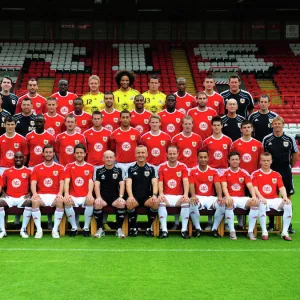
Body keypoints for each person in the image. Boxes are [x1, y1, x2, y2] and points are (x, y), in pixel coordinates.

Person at [262, 116, 298, 233]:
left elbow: (295, 154)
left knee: (287, 197)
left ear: (283, 124)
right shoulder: (267, 139)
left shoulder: (290, 138)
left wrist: (290, 166)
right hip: (271, 172)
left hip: (285, 171)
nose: (277, 126)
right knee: (271, 196)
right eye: (275, 124)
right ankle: (271, 223)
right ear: (272, 125)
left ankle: (288, 225)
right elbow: (264, 155)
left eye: (279, 124)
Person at [252, 152, 293, 241]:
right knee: (262, 204)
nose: (266, 162)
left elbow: (281, 187)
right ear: (260, 162)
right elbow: (254, 188)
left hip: (275, 199)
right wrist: (261, 197)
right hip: (262, 199)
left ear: (271, 161)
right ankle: (264, 232)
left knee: (288, 204)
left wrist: (285, 197)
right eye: (264, 160)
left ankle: (285, 232)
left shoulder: (276, 174)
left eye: (268, 160)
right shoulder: (255, 174)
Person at [202, 116, 232, 230]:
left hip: (224, 170)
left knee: (223, 196)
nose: (216, 127)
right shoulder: (207, 141)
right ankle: (210, 222)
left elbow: (231, 156)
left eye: (218, 125)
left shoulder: (228, 140)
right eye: (214, 125)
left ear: (222, 126)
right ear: (211, 126)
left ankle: (224, 222)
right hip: (211, 170)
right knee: (211, 196)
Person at [221, 152, 259, 240]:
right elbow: (224, 186)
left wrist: (253, 196)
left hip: (242, 198)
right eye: (233, 159)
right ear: (229, 161)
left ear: (240, 160)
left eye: (236, 159)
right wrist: (228, 196)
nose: (235, 161)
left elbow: (250, 185)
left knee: (254, 203)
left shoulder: (244, 172)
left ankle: (250, 232)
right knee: (229, 203)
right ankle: (232, 231)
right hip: (230, 197)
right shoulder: (225, 172)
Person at [30, 144, 65, 238]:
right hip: (42, 195)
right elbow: (33, 183)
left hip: (54, 195)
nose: (48, 154)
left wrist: (60, 193)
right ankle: (39, 230)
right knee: (34, 201)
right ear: (43, 154)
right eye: (46, 152)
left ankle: (55, 230)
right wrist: (34, 194)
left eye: (50, 152)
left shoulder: (60, 167)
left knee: (60, 201)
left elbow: (62, 182)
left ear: (54, 153)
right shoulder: (37, 168)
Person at [189, 149, 225, 238]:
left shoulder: (213, 171)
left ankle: (214, 229)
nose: (203, 159)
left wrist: (220, 197)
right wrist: (193, 196)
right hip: (198, 197)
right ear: (197, 158)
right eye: (201, 157)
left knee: (221, 204)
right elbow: (191, 184)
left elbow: (217, 185)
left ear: (208, 158)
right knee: (192, 203)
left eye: (205, 157)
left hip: (210, 198)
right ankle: (198, 228)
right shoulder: (192, 171)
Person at [126, 145, 159, 237]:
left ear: (147, 154)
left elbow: (155, 183)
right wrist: (131, 196)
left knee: (155, 203)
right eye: (138, 153)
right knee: (129, 203)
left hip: (146, 197)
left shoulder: (151, 168)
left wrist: (154, 195)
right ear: (135, 155)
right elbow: (128, 184)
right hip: (135, 197)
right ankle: (133, 227)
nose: (141, 155)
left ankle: (148, 227)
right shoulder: (131, 168)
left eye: (143, 152)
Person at [157, 145, 190, 239]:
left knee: (186, 201)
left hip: (178, 196)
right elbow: (160, 182)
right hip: (166, 196)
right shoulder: (162, 166)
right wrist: (161, 194)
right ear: (166, 154)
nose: (172, 156)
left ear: (177, 154)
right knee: (161, 201)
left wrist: (186, 194)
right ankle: (164, 230)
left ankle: (184, 230)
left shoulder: (183, 166)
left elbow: (185, 181)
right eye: (170, 154)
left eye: (174, 154)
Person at [64, 144, 94, 237]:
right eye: (77, 153)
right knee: (67, 202)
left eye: (81, 153)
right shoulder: (69, 166)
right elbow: (67, 181)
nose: (79, 155)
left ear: (85, 154)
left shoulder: (90, 167)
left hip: (85, 195)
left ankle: (86, 228)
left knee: (90, 200)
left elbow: (90, 181)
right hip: (74, 195)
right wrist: (66, 194)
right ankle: (74, 227)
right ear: (74, 154)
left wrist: (89, 193)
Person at [94, 150, 126, 238]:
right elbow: (96, 185)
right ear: (103, 159)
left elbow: (122, 184)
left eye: (111, 157)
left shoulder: (119, 170)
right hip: (103, 197)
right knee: (97, 203)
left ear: (114, 158)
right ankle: (100, 229)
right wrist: (98, 197)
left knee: (122, 203)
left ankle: (119, 229)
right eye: (106, 157)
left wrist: (121, 197)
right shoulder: (99, 170)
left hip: (115, 197)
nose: (109, 159)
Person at [0, 152, 32, 238]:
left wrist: (29, 193)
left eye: (20, 157)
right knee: (0, 202)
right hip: (9, 197)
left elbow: (33, 186)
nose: (18, 159)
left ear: (24, 159)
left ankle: (23, 229)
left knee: (29, 202)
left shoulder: (29, 171)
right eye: (16, 157)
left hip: (22, 197)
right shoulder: (7, 172)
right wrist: (3, 192)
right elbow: (2, 185)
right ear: (14, 158)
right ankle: (2, 230)